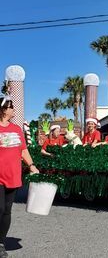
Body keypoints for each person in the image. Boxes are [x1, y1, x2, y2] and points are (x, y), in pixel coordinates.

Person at [0, 97, 39, 258]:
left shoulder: (16, 129)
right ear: (3, 110)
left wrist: (31, 166)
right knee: (0, 208)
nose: (14, 109)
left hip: (13, 175)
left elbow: (23, 150)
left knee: (7, 211)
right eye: (11, 107)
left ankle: (1, 243)